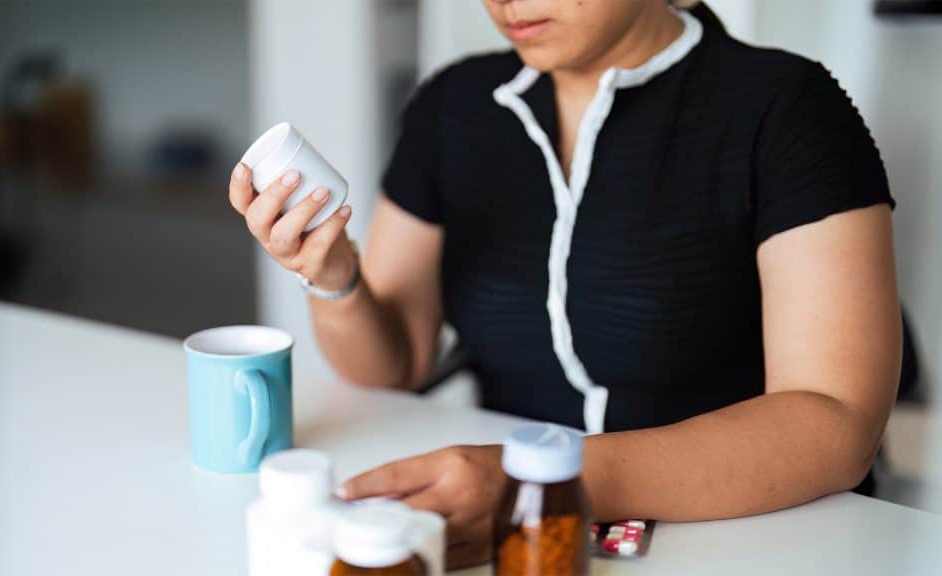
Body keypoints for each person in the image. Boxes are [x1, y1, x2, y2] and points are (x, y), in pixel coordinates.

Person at [228, 0, 900, 568]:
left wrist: (543, 482)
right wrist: (335, 277)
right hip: (513, 532)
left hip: (752, 531)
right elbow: (395, 363)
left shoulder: (786, 109)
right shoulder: (453, 106)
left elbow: (835, 424)